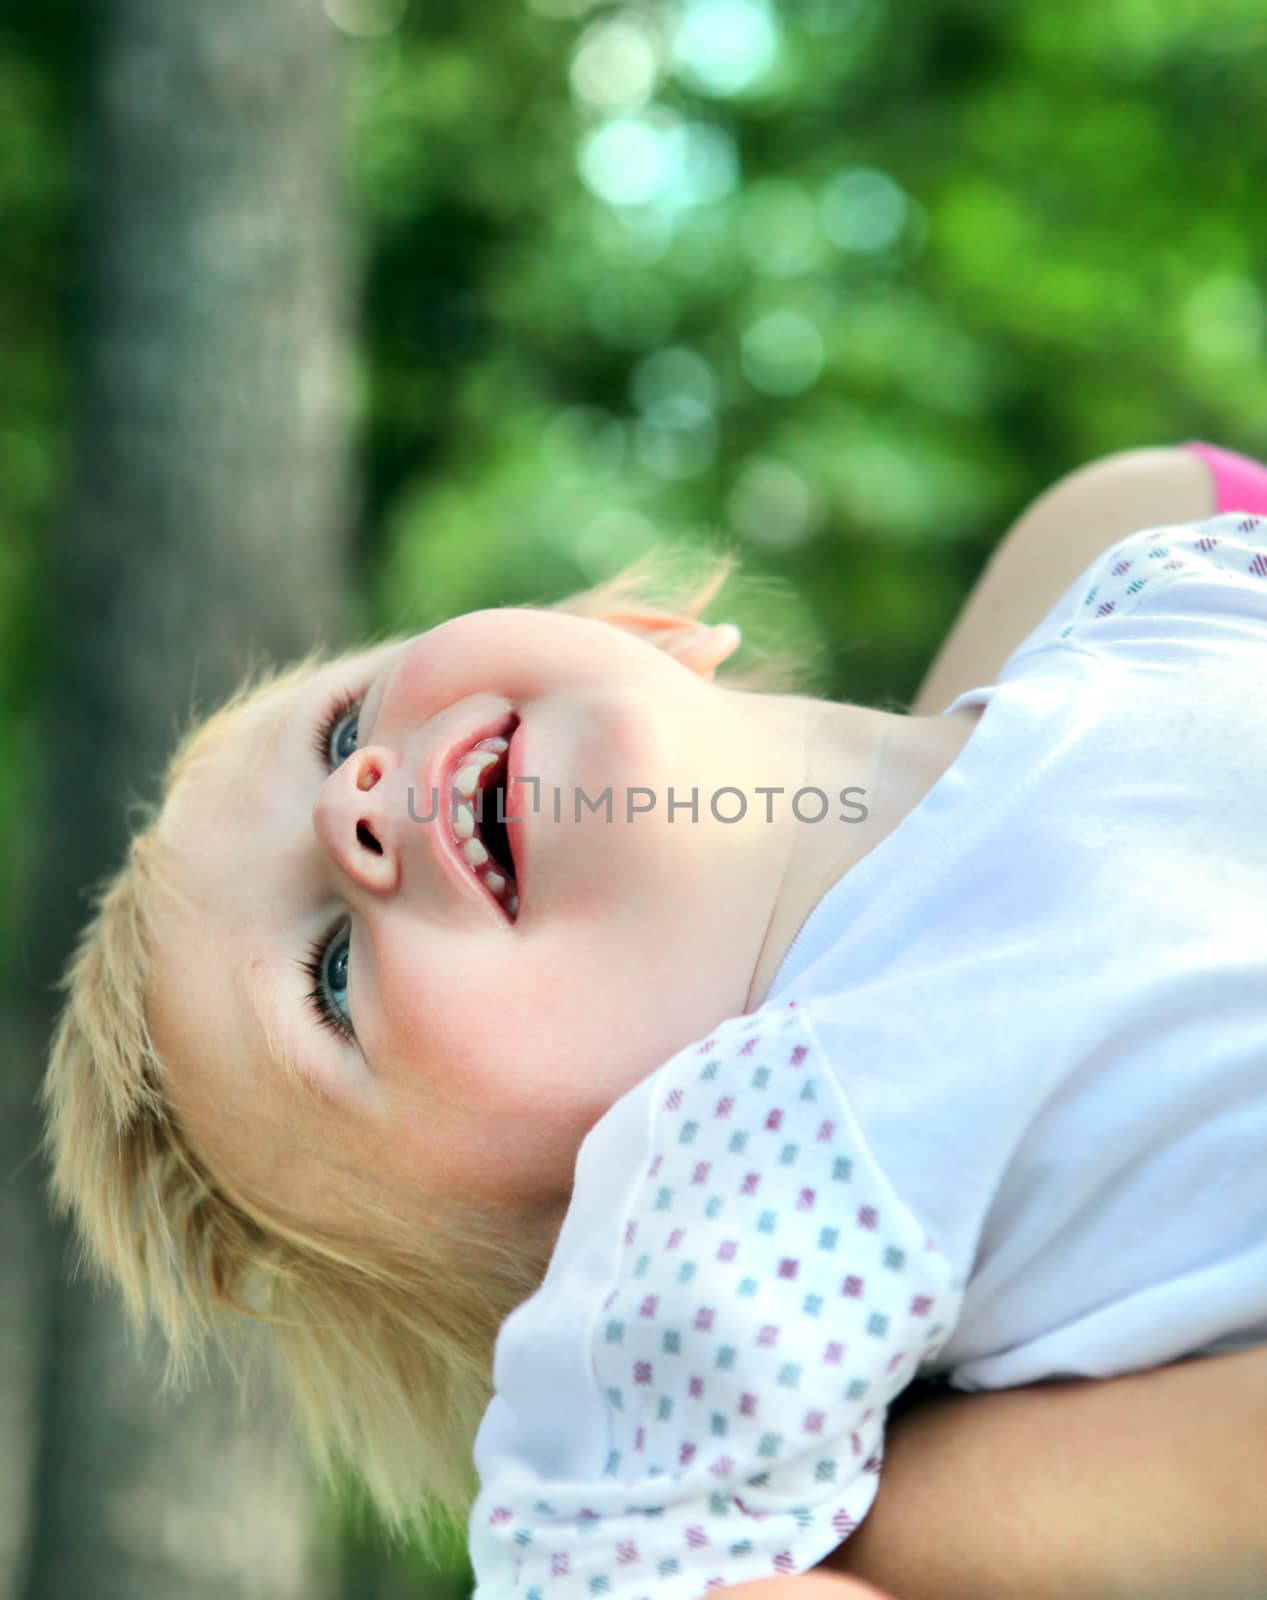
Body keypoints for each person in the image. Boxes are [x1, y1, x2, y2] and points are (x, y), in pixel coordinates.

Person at [38, 441, 1267, 1600]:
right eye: (329, 982)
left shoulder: (1163, 582)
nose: (349, 808)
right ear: (573, 1252)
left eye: (341, 731)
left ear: (644, 637)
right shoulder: (746, 1196)